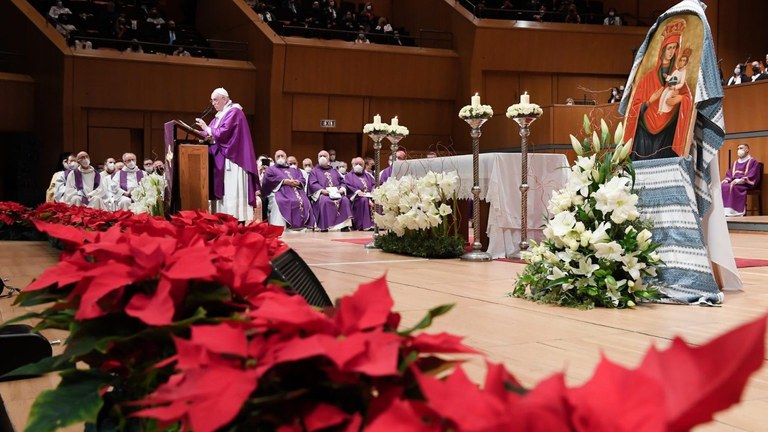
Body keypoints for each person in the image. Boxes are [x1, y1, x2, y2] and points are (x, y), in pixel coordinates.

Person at [624, 19, 693, 160]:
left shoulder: (678, 75)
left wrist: (681, 99)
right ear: (662, 50)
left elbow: (688, 99)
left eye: (674, 48)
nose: (671, 52)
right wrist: (649, 102)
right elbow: (633, 109)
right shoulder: (647, 79)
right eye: (669, 48)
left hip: (667, 134)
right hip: (644, 136)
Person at [195, 87, 261, 222]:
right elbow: (210, 132)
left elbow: (223, 133)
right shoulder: (220, 115)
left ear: (224, 99)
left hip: (233, 159)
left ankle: (236, 219)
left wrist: (206, 128)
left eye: (215, 100)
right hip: (223, 159)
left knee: (232, 191)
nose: (213, 103)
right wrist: (194, 132)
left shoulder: (234, 112)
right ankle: (222, 219)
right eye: (212, 100)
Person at [261, 150, 315, 230]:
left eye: (282, 156)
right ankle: (280, 226)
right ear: (275, 158)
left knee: (304, 201)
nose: (280, 158)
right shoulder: (271, 169)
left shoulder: (294, 169)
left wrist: (298, 182)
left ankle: (301, 226)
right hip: (280, 191)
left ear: (286, 157)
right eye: (278, 156)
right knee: (280, 201)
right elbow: (267, 180)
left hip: (296, 191)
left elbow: (302, 179)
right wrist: (284, 181)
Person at [307, 150, 353, 231]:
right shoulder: (314, 171)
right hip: (324, 193)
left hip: (336, 193)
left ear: (328, 159)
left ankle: (344, 226)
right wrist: (321, 190)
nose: (322, 158)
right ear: (317, 158)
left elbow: (342, 181)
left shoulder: (334, 170)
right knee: (324, 200)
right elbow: (312, 183)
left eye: (324, 156)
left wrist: (342, 189)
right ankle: (325, 226)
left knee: (345, 200)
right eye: (320, 156)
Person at [721, 144, 761, 217]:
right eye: (738, 148)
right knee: (723, 186)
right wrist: (726, 180)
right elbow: (729, 174)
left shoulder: (753, 162)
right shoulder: (735, 162)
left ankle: (734, 211)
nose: (739, 150)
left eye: (741, 148)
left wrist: (740, 180)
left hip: (745, 183)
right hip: (734, 182)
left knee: (732, 186)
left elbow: (753, 174)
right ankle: (724, 210)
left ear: (747, 150)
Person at [344, 157, 375, 231]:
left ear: (364, 166)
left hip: (369, 195)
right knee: (364, 200)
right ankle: (363, 225)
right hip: (357, 198)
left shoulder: (367, 175)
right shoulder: (349, 176)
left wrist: (373, 190)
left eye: (360, 164)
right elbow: (348, 186)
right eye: (356, 164)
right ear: (353, 165)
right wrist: (357, 191)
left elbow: (374, 184)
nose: (358, 165)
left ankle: (375, 225)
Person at [658, 47, 691, 114]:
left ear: (686, 62)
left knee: (668, 96)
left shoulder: (683, 72)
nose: (682, 62)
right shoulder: (677, 70)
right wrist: (667, 77)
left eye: (684, 61)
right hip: (670, 86)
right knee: (663, 94)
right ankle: (660, 109)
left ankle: (664, 110)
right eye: (681, 60)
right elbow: (672, 77)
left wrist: (675, 87)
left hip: (674, 88)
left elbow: (681, 83)